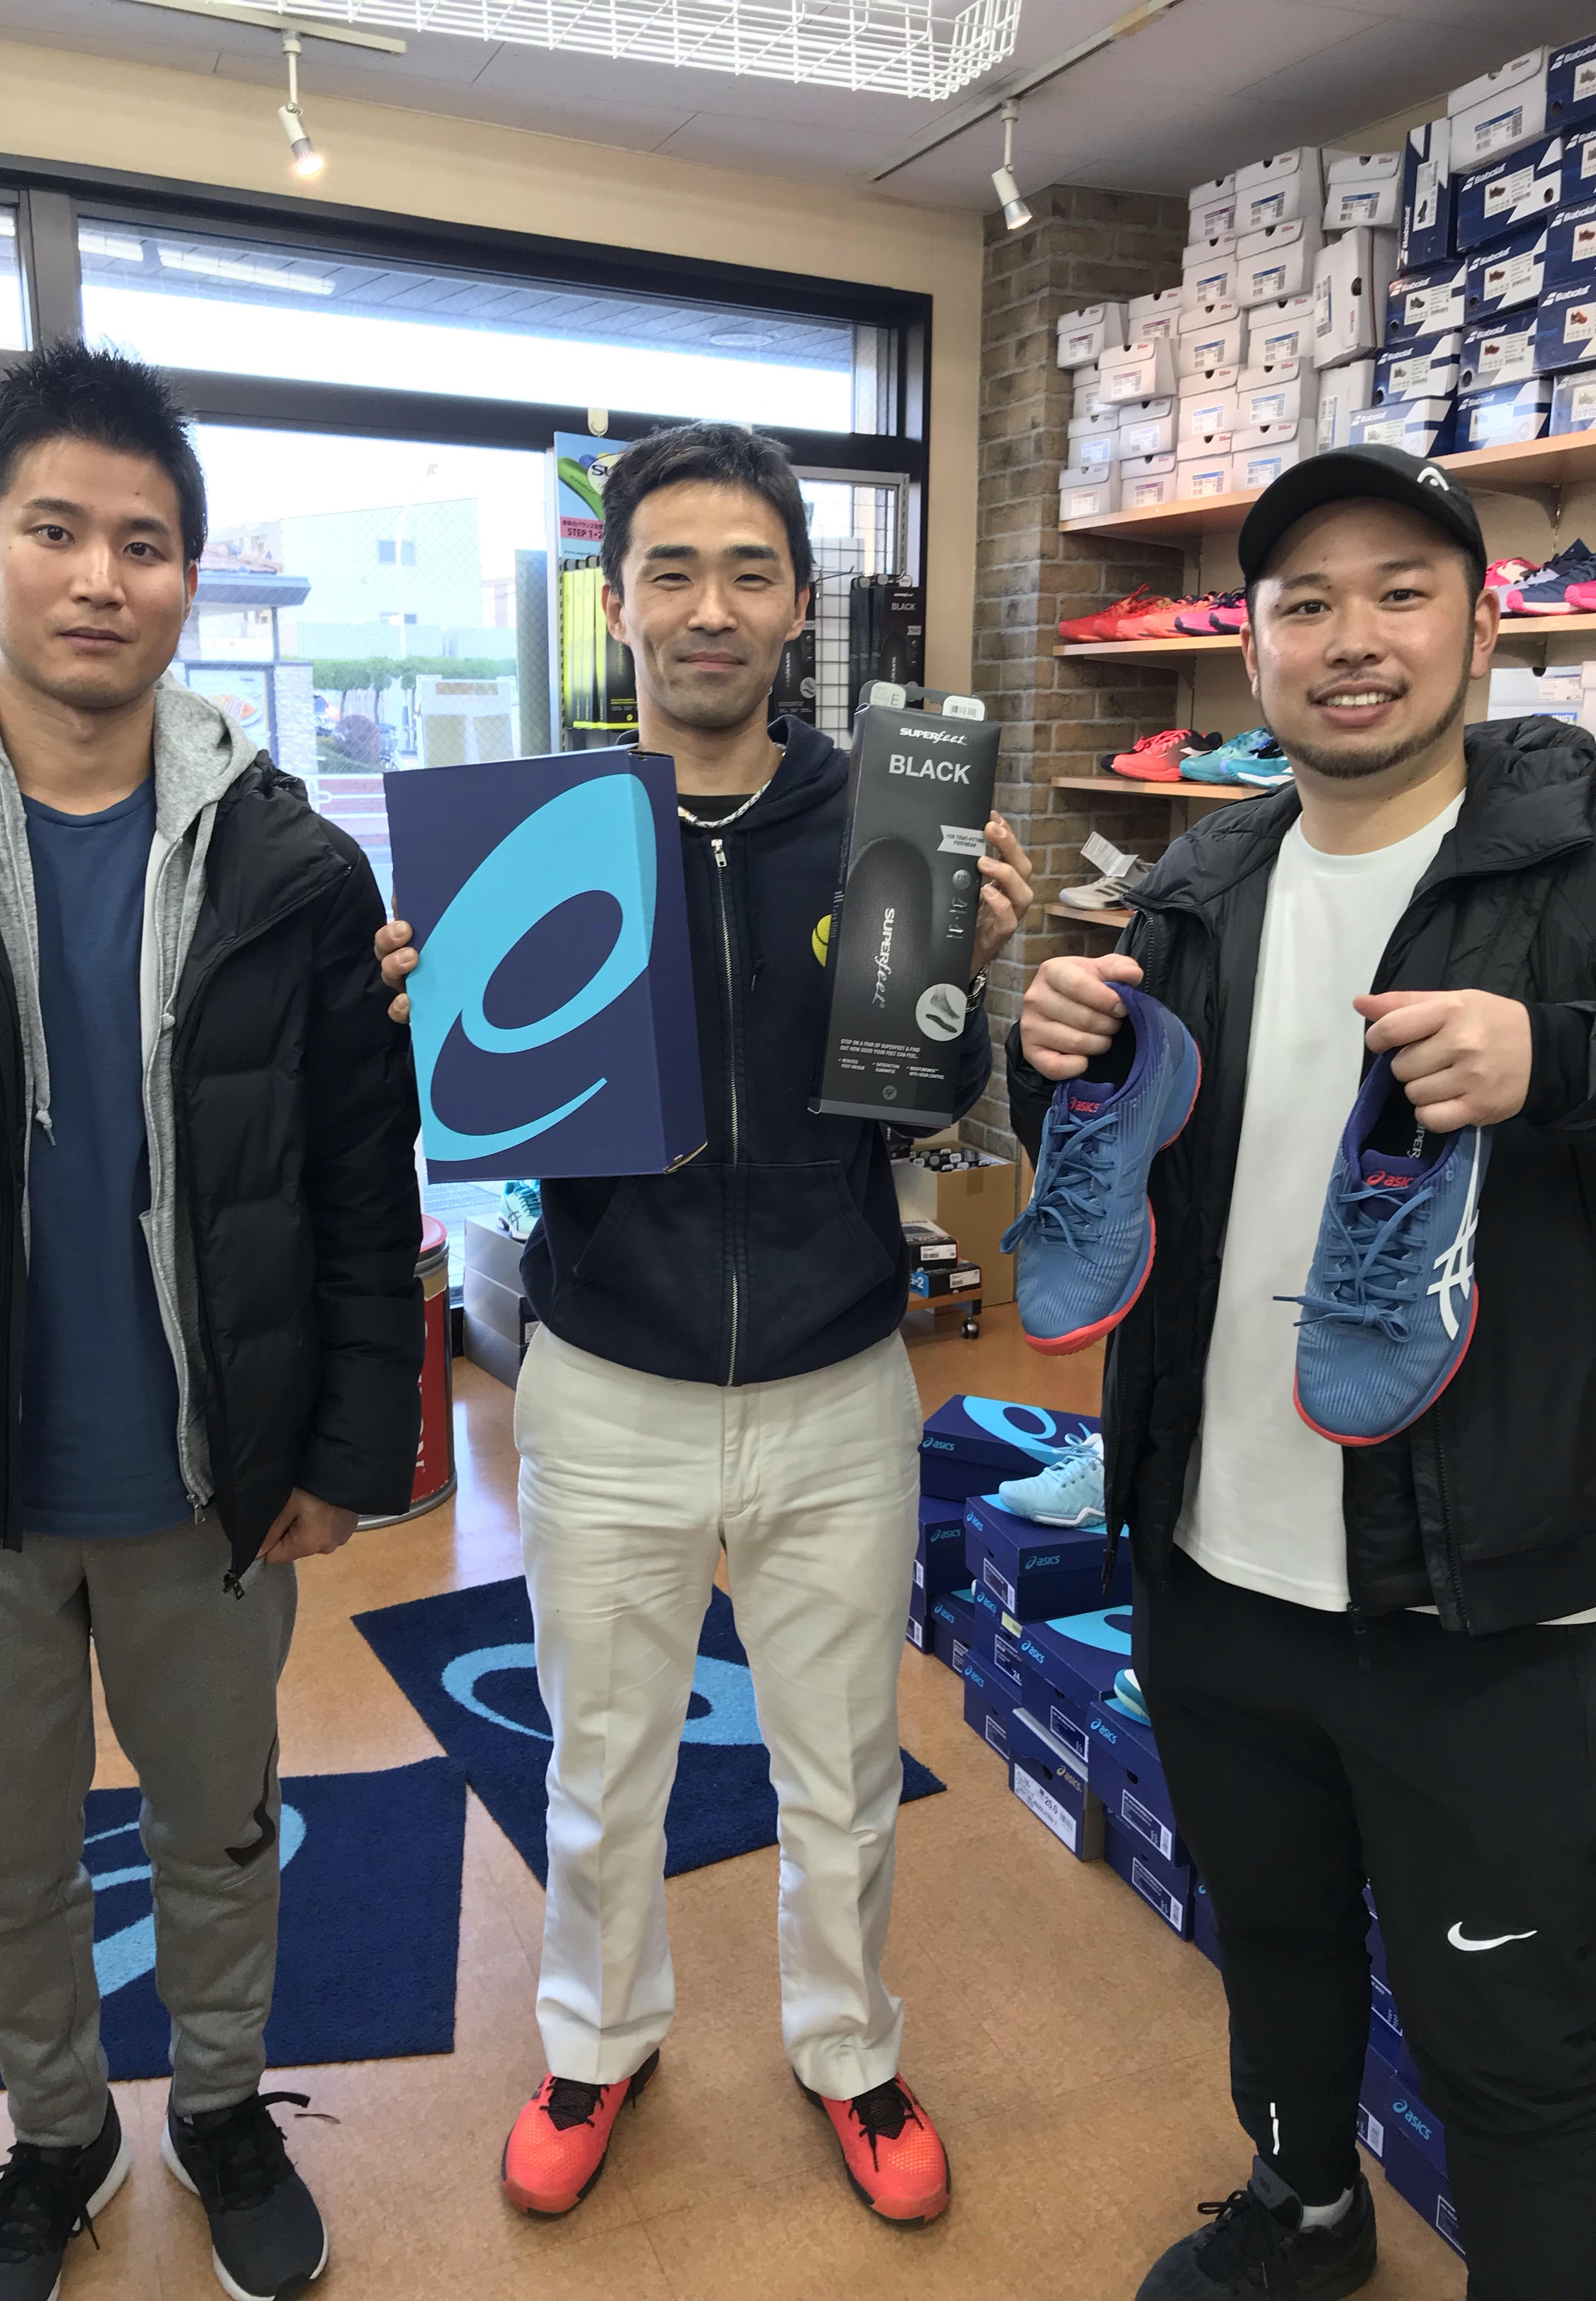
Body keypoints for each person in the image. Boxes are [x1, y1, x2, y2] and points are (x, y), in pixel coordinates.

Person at [380, 422, 1033, 2226]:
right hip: (612, 1379)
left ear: (801, 603)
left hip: (837, 1376)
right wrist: (435, 1011)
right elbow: (497, 1107)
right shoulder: (549, 843)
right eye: (671, 571)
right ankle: (595, 2043)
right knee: (603, 1764)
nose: (712, 608)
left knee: (843, 1766)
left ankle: (851, 2050)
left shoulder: (886, 819)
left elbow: (924, 1115)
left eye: (750, 571)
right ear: (618, 604)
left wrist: (965, 983)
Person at [1012, 443, 1596, 2301]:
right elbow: (1147, 1178)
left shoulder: (1576, 860)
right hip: (1218, 1546)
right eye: (1307, 603)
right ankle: (1310, 2211)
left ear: (1482, 631)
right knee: (1270, 1938)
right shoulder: (1200, 881)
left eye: (1402, 594)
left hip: (1487, 1592)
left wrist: (1561, 1060)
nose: (1354, 639)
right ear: (1253, 646)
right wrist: (1051, 1063)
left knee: (1514, 2038)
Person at [0, 342, 423, 2301]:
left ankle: (218, 2106)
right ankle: (54, 2139)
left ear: (192, 576)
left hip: (211, 1482)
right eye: (57, 532)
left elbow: (362, 1182)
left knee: (222, 1827)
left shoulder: (297, 864)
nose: (101, 578)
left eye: (146, 542)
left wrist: (349, 1451)